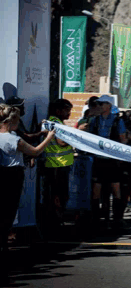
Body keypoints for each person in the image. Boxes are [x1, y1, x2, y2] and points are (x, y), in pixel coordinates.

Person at [1, 104, 56, 281]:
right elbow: (35, 151)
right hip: (12, 177)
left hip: (3, 174)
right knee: (8, 213)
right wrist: (49, 138)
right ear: (11, 121)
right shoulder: (11, 138)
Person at [88, 95, 128, 231]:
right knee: (96, 191)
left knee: (116, 189)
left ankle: (117, 219)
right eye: (98, 104)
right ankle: (96, 220)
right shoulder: (95, 121)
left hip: (113, 161)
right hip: (98, 160)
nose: (99, 106)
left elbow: (123, 140)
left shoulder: (118, 121)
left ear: (109, 106)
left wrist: (119, 156)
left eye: (102, 104)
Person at [41, 99, 74, 233]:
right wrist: (75, 136)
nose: (69, 113)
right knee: (58, 195)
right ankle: (56, 222)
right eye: (67, 110)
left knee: (58, 194)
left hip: (59, 164)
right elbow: (61, 142)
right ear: (58, 110)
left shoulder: (56, 121)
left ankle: (56, 220)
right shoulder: (55, 122)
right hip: (57, 164)